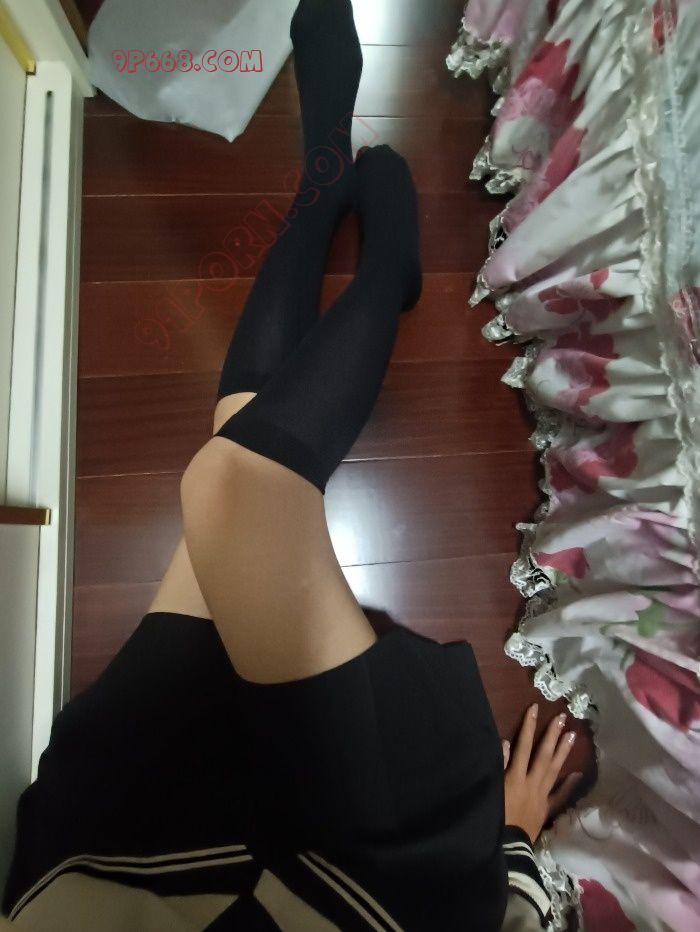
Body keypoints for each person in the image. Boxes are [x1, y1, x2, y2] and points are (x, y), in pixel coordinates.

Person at [2, 1, 582, 929]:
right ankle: (379, 259)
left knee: (237, 440)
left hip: (106, 868)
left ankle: (326, 173)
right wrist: (510, 850)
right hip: (359, 881)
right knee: (234, 488)